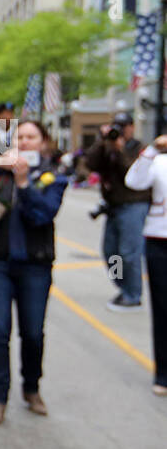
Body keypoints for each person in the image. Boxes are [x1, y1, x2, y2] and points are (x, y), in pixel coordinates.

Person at [0, 119, 68, 424]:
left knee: (33, 333)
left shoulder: (53, 175)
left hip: (35, 265)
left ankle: (31, 387)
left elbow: (43, 215)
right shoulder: (1, 169)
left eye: (31, 136)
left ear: (44, 141)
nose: (25, 141)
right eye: (20, 136)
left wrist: (23, 184)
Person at [82, 112, 150, 311]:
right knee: (111, 253)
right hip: (113, 206)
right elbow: (90, 163)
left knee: (129, 253)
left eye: (124, 125)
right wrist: (102, 143)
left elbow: (133, 174)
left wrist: (119, 151)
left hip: (134, 204)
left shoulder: (140, 149)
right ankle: (123, 287)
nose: (121, 129)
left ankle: (133, 295)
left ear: (132, 127)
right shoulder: (107, 147)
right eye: (117, 125)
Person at [124, 135, 167, 395]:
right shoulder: (159, 161)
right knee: (163, 308)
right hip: (159, 240)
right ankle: (163, 373)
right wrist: (152, 148)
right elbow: (134, 181)